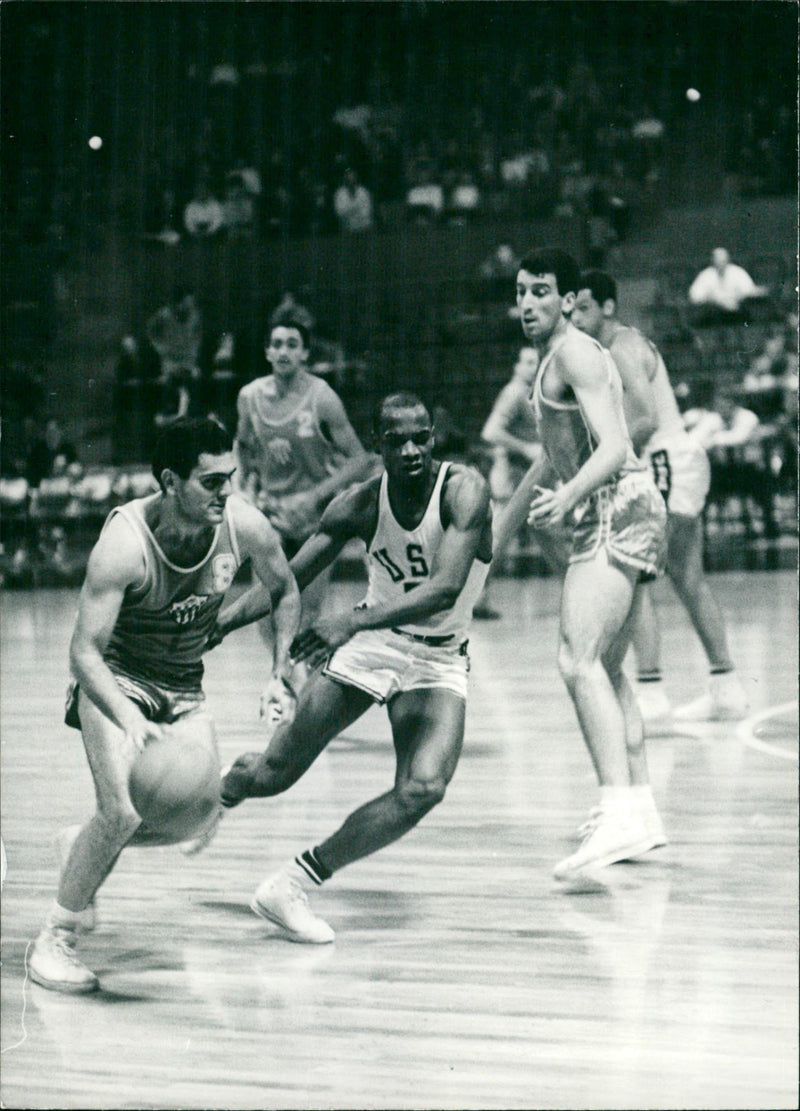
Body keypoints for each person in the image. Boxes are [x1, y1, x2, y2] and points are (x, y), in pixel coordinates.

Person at [27, 417, 301, 993]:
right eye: (210, 481)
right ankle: (55, 937)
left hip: (183, 685)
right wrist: (128, 717)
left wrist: (279, 673)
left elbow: (285, 587)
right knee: (122, 812)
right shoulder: (124, 543)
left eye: (229, 477)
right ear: (171, 481)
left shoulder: (241, 523)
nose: (225, 491)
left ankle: (80, 846)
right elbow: (83, 653)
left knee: (195, 819)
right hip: (117, 680)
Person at [215, 392, 493, 942]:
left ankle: (291, 883)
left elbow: (444, 590)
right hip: (376, 643)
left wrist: (352, 621)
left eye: (422, 437)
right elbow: (285, 579)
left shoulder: (464, 490)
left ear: (434, 438)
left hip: (435, 656)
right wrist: (219, 624)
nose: (411, 450)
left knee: (423, 788)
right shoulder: (360, 503)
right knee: (272, 775)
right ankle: (200, 798)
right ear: (377, 445)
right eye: (397, 441)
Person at [515, 248, 668, 879]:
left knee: (575, 660)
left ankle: (618, 809)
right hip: (623, 506)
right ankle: (641, 807)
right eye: (522, 291)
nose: (528, 303)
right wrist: (499, 528)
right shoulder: (560, 357)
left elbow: (615, 446)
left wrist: (570, 498)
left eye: (542, 291)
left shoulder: (574, 351)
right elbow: (553, 454)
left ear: (570, 299)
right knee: (605, 666)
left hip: (614, 505)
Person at [571, 271, 748, 724]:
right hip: (679, 461)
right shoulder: (613, 349)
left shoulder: (623, 346)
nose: (575, 315)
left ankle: (649, 691)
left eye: (585, 306)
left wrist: (599, 461)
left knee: (635, 577)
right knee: (689, 578)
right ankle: (726, 687)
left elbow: (645, 418)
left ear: (609, 307)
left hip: (665, 461)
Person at [234, 311, 373, 713]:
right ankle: (286, 675)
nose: (283, 351)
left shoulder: (322, 398)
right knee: (264, 609)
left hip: (316, 521)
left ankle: (306, 690)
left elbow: (358, 459)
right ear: (266, 351)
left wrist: (313, 497)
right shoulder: (250, 397)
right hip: (272, 518)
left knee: (307, 613)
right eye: (276, 344)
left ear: (305, 353)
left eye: (292, 344)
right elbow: (241, 447)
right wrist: (243, 488)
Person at [475, 346, 544, 618]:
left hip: (526, 476)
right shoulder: (514, 392)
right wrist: (526, 448)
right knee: (497, 541)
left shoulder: (531, 392)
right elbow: (490, 431)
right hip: (511, 475)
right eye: (527, 361)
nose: (532, 367)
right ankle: (473, 598)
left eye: (536, 362)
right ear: (516, 366)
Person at [687, 248, 768, 325]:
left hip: (738, 311)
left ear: (728, 260)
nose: (720, 263)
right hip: (714, 313)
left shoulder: (738, 272)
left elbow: (749, 291)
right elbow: (694, 296)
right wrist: (714, 300)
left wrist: (737, 299)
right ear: (712, 261)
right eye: (717, 260)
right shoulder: (705, 275)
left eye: (723, 261)